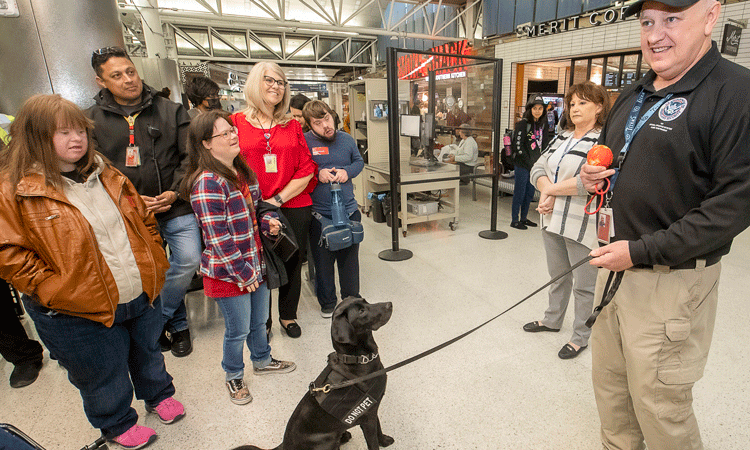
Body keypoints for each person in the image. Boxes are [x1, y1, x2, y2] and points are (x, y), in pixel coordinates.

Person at [579, 1, 750, 449]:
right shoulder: (634, 94)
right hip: (612, 267)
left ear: (710, 17)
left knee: (661, 408)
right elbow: (611, 159)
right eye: (648, 22)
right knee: (612, 394)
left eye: (672, 19)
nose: (656, 35)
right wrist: (590, 176)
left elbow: (732, 207)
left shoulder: (736, 91)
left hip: (671, 282)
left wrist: (639, 251)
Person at [0, 94, 184, 449]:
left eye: (80, 130)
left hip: (136, 290)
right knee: (101, 372)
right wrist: (51, 287)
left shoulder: (106, 172)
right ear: (35, 136)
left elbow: (143, 220)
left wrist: (155, 261)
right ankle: (116, 423)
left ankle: (158, 395)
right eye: (62, 132)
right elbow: (8, 252)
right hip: (74, 309)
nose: (76, 139)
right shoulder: (15, 188)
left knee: (148, 351)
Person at [87, 46, 200, 357]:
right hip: (128, 212)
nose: (128, 80)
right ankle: (178, 325)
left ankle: (157, 319)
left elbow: (190, 156)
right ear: (101, 81)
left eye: (130, 71)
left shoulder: (171, 110)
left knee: (189, 259)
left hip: (175, 205)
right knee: (151, 270)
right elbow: (97, 167)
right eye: (117, 76)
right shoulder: (91, 120)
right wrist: (130, 200)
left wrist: (176, 192)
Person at [183, 110, 296, 405]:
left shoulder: (242, 173)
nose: (234, 135)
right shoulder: (207, 182)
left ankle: (262, 359)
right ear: (206, 143)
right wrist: (244, 274)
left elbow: (256, 209)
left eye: (233, 130)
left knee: (260, 322)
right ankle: (233, 374)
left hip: (253, 263)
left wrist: (269, 220)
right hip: (228, 271)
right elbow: (218, 238)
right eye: (225, 133)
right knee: (237, 330)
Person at [525, 82, 611, 359]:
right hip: (551, 218)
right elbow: (537, 167)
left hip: (582, 224)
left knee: (584, 285)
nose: (575, 108)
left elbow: (591, 183)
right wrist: (547, 187)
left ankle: (580, 336)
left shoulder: (603, 141)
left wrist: (548, 190)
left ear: (599, 107)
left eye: (583, 103)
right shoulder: (561, 137)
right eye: (572, 103)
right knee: (557, 276)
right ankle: (552, 320)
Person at [232, 62, 317, 339]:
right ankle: (262, 321)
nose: (276, 87)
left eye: (281, 82)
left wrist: (277, 199)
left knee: (292, 260)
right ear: (256, 82)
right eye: (269, 80)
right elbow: (227, 165)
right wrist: (256, 202)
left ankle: (287, 316)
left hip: (292, 203)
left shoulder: (291, 124)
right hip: (251, 207)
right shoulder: (236, 123)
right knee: (259, 265)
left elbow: (306, 168)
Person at [302, 100, 364, 318]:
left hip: (348, 210)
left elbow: (359, 162)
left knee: (349, 260)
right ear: (309, 125)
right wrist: (316, 173)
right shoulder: (305, 142)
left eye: (327, 118)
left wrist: (348, 171)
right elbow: (299, 167)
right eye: (318, 123)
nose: (325, 125)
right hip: (320, 214)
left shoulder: (346, 139)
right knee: (323, 262)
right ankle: (328, 303)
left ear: (333, 115)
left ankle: (351, 300)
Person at [510, 94, 550, 230]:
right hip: (522, 164)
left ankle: (524, 218)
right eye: (535, 108)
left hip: (535, 165)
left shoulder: (543, 125)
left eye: (540, 108)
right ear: (530, 109)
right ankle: (515, 219)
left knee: (530, 193)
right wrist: (529, 163)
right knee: (519, 192)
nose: (537, 111)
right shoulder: (523, 124)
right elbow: (518, 146)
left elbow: (544, 144)